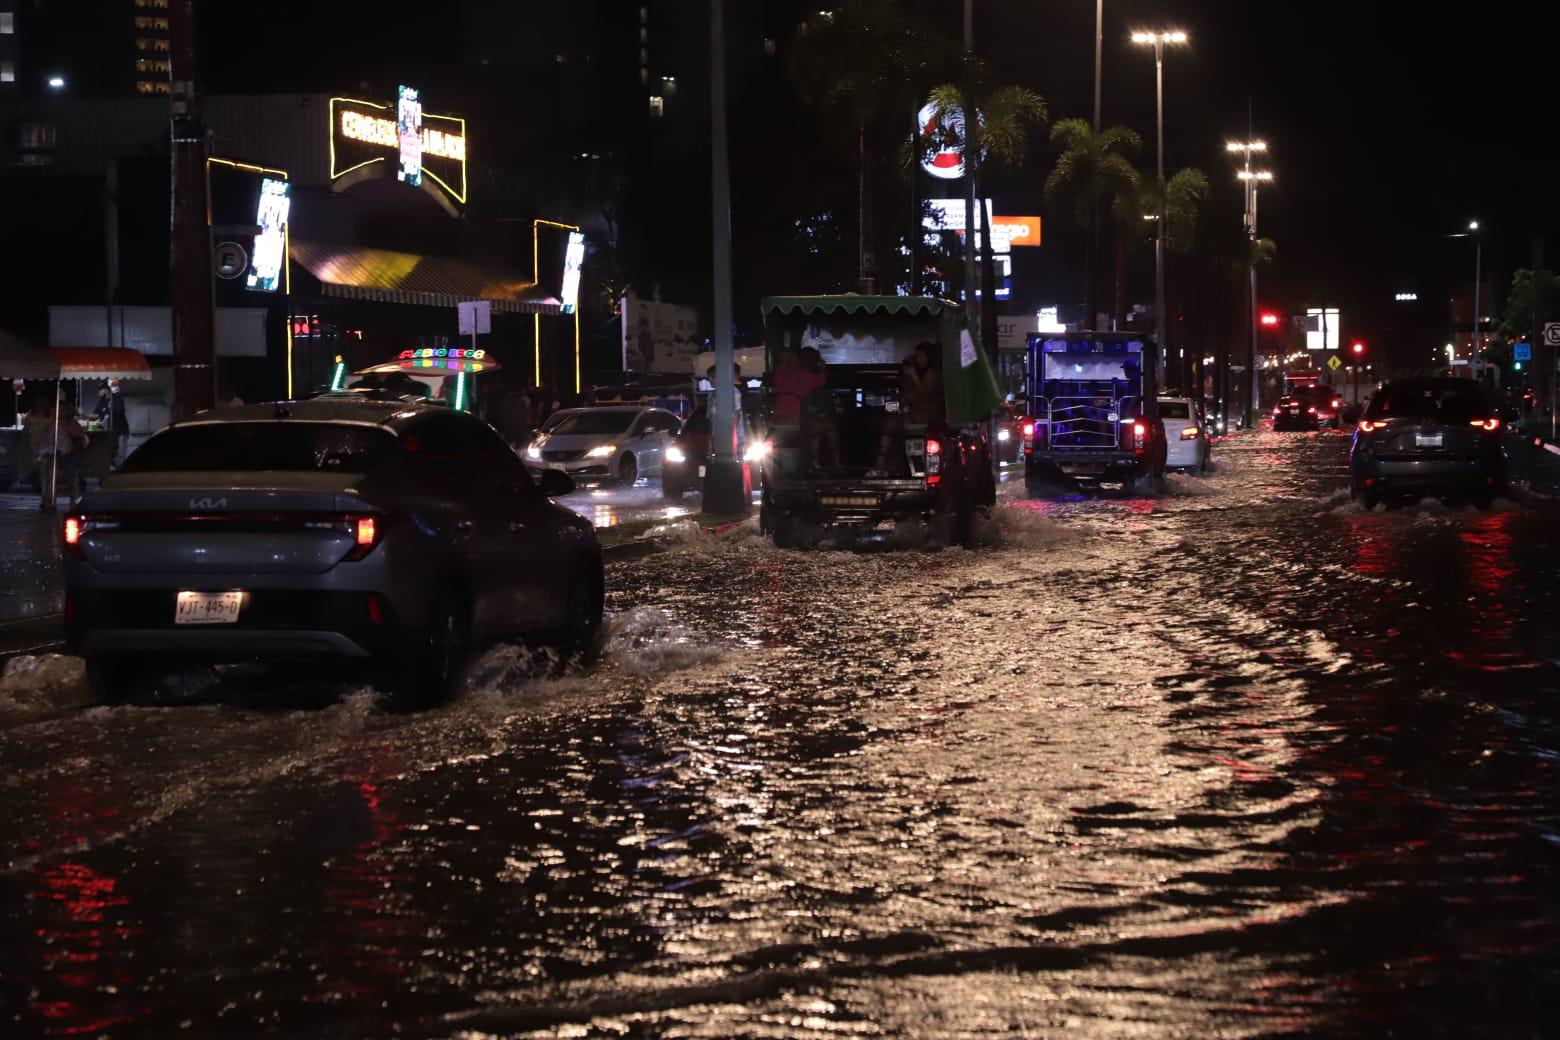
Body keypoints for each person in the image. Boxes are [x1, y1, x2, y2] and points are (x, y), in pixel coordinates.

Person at [37, 399, 86, 510]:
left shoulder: (71, 422)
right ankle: (48, 499)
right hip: (52, 452)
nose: (61, 412)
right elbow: (45, 436)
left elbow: (80, 434)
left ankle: (74, 499)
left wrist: (67, 428)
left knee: (70, 476)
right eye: (59, 410)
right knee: (49, 473)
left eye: (63, 410)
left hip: (67, 453)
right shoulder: (51, 422)